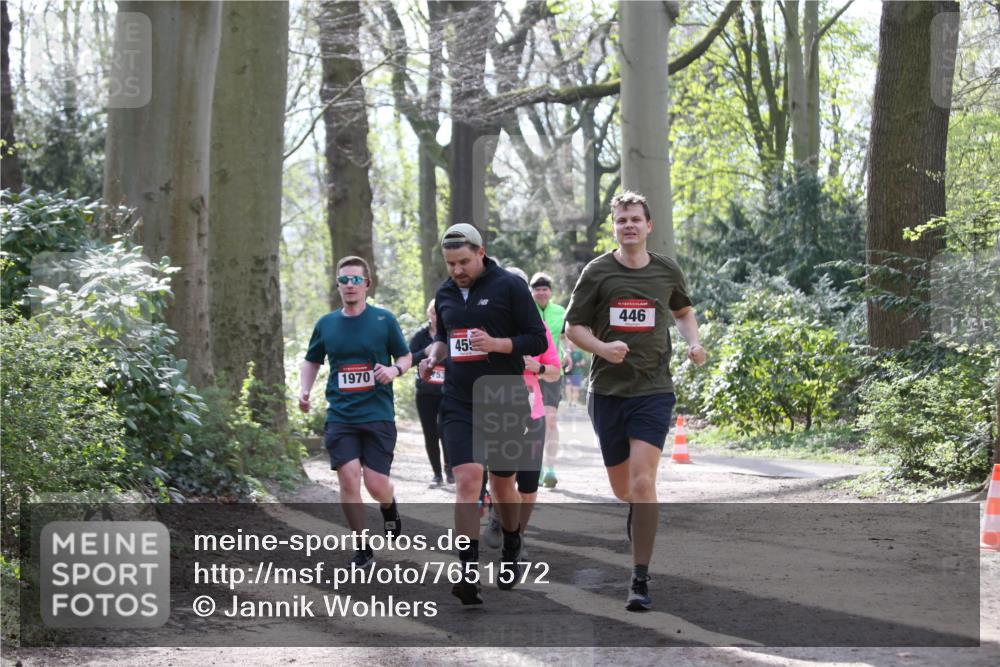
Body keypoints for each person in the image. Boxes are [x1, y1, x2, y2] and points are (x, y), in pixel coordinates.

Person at [565, 191, 707, 612]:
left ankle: (639, 578)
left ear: (649, 226)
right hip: (608, 392)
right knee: (624, 488)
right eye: (621, 220)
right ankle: (636, 515)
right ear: (615, 227)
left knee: (645, 483)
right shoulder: (597, 272)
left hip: (653, 389)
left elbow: (682, 311)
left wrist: (694, 343)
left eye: (635, 219)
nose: (628, 226)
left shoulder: (666, 270)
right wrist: (604, 349)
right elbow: (574, 327)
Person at [417, 224, 548, 605]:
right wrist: (432, 357)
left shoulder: (509, 286)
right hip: (459, 399)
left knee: (505, 485)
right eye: (450, 263)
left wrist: (498, 344)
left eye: (463, 262)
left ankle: (511, 542)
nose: (456, 270)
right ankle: (468, 571)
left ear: (480, 252)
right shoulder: (444, 292)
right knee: (468, 479)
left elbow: (537, 339)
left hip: (504, 396)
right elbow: (445, 339)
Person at [299, 256, 412, 569]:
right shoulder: (326, 324)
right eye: (344, 280)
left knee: (376, 485)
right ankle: (362, 548)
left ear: (367, 284)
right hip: (341, 415)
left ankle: (389, 506)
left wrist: (394, 370)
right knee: (349, 480)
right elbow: (312, 360)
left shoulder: (383, 320)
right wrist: (304, 390)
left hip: (377, 413)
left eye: (355, 280)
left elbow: (406, 356)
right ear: (337, 285)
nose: (349, 285)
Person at [483, 267, 561, 554]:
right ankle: (497, 517)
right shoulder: (487, 327)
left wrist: (537, 367)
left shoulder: (537, 330)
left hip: (533, 412)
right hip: (498, 409)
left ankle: (518, 538)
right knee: (502, 477)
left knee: (528, 486)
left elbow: (554, 372)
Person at [408, 300, 453, 486]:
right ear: (429, 314)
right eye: (433, 313)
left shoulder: (451, 335)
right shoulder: (420, 336)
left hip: (447, 391)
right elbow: (408, 360)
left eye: (439, 313)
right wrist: (425, 352)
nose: (437, 316)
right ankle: (437, 474)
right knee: (430, 433)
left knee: (446, 431)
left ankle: (450, 469)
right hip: (425, 393)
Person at [529, 272, 566, 489]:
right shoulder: (525, 310)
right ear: (531, 291)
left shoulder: (560, 311)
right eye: (537, 289)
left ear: (550, 292)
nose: (541, 292)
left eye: (545, 289)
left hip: (551, 371)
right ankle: (537, 466)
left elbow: (564, 336)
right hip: (530, 373)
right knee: (535, 422)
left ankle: (550, 468)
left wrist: (567, 352)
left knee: (551, 420)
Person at [563, 340, 588, 408]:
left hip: (577, 372)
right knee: (568, 387)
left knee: (575, 388)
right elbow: (563, 362)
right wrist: (567, 353)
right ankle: (569, 402)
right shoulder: (566, 352)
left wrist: (579, 363)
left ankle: (574, 403)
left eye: (571, 342)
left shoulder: (579, 352)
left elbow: (583, 361)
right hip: (568, 373)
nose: (570, 344)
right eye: (568, 343)